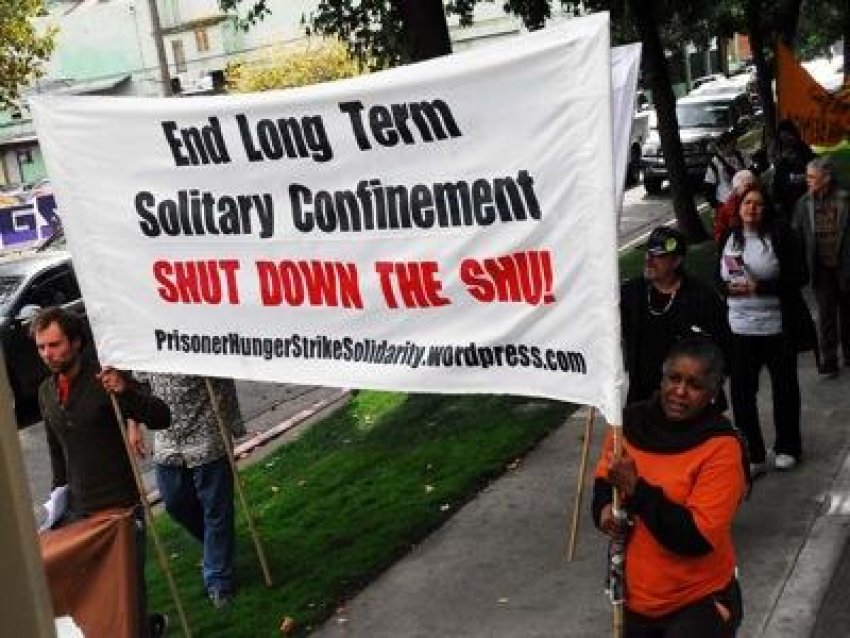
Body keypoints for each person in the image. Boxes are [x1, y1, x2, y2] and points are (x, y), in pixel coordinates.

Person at [592, 336, 748, 637]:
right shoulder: (629, 424)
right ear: (661, 379)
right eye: (673, 378)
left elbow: (696, 538)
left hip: (697, 604)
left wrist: (637, 491)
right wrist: (604, 511)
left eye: (694, 384)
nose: (680, 391)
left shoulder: (722, 447)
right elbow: (603, 481)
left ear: (713, 393)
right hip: (634, 601)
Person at [32, 306, 171, 637]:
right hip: (77, 512)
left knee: (127, 594)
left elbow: (161, 417)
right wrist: (57, 501)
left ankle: (145, 627)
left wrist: (125, 391)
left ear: (76, 342)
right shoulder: (46, 393)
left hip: (119, 509)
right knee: (88, 598)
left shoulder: (105, 381)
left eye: (55, 345)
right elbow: (57, 452)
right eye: (41, 347)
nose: (47, 354)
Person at [719, 185, 815, 475]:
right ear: (738, 207)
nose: (752, 209)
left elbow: (799, 276)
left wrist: (760, 286)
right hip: (739, 328)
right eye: (747, 203)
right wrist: (728, 288)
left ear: (766, 209)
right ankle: (753, 453)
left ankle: (787, 447)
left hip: (776, 327)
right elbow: (718, 275)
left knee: (784, 388)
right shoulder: (729, 237)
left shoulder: (781, 236)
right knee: (742, 394)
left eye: (758, 204)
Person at [129, 374, 245, 609]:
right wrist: (133, 425)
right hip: (168, 442)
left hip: (207, 435)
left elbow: (223, 380)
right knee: (174, 503)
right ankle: (219, 548)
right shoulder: (146, 346)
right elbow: (137, 388)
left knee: (216, 509)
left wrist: (233, 424)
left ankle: (218, 581)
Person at [620, 226, 731, 404]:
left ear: (677, 261)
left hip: (688, 399)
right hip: (644, 399)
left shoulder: (702, 296)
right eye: (648, 254)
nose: (649, 260)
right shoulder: (632, 293)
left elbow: (724, 345)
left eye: (658, 256)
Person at [792, 156, 850, 377]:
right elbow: (796, 235)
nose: (807, 181)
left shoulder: (845, 199)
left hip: (844, 265)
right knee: (826, 314)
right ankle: (830, 359)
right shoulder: (803, 204)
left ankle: (849, 352)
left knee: (847, 312)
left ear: (826, 179)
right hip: (820, 268)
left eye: (811, 177)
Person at [771, 120, 815, 221]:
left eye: (788, 136)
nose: (787, 140)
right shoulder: (782, 155)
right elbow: (778, 178)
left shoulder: (804, 150)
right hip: (789, 200)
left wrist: (804, 177)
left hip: (806, 194)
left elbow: (814, 167)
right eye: (783, 138)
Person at [704, 132, 749, 214]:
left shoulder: (741, 156)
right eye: (731, 145)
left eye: (734, 144)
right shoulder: (715, 163)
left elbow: (752, 171)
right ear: (722, 146)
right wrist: (717, 206)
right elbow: (709, 189)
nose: (733, 148)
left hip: (745, 199)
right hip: (727, 205)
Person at [714, 169, 758, 242]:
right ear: (736, 188)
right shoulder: (728, 208)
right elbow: (720, 234)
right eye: (747, 186)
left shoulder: (758, 199)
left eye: (753, 185)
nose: (751, 189)